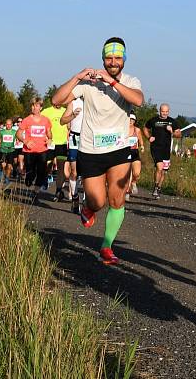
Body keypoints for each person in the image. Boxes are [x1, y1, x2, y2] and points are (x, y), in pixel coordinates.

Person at [52, 37, 144, 265]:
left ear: (124, 59)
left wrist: (111, 83)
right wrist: (77, 77)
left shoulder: (131, 81)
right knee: (98, 201)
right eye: (109, 58)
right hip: (91, 151)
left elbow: (138, 100)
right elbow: (57, 100)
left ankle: (107, 246)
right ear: (103, 58)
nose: (113, 62)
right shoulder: (88, 83)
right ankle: (87, 207)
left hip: (119, 149)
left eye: (117, 58)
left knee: (117, 200)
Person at [16, 98, 53, 204]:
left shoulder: (46, 120)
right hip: (29, 151)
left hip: (42, 150)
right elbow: (18, 134)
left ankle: (35, 193)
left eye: (36, 105)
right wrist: (25, 141)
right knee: (30, 175)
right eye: (32, 105)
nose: (33, 107)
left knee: (42, 172)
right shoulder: (27, 120)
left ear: (40, 107)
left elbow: (49, 132)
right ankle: (28, 178)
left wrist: (50, 139)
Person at [143, 104, 181, 199]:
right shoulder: (153, 120)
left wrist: (171, 131)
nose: (164, 113)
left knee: (163, 171)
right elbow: (145, 128)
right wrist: (148, 137)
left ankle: (159, 188)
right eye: (163, 111)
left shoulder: (172, 121)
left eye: (166, 111)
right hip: (156, 147)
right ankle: (155, 187)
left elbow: (179, 134)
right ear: (159, 111)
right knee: (159, 167)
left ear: (169, 111)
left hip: (166, 149)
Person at [60, 96, 84, 213]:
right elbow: (62, 120)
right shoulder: (74, 103)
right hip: (75, 138)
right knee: (74, 171)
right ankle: (75, 197)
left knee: (88, 172)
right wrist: (73, 115)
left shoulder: (95, 100)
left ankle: (86, 199)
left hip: (89, 139)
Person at [42, 103, 69, 200]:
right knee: (48, 165)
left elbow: (70, 125)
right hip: (50, 143)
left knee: (60, 168)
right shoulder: (46, 111)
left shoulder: (66, 110)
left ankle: (58, 190)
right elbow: (40, 123)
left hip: (62, 143)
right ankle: (45, 177)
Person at [126, 113, 144, 201]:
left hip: (134, 152)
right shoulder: (122, 129)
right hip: (124, 153)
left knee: (136, 173)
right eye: (129, 119)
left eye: (132, 120)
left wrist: (142, 146)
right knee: (127, 174)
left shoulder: (137, 130)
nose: (130, 121)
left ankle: (134, 182)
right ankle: (127, 192)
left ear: (134, 121)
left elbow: (140, 140)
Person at [0, 118, 17, 188]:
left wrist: (18, 141)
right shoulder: (2, 132)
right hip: (3, 150)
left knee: (9, 166)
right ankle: (2, 175)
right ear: (5, 124)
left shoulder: (14, 132)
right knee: (3, 165)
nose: (8, 126)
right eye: (7, 124)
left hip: (11, 150)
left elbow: (18, 138)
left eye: (10, 124)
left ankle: (7, 178)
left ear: (12, 125)